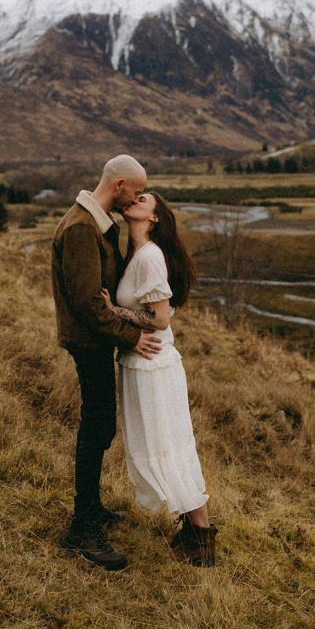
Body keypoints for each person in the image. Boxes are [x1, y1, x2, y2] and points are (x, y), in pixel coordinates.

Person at [51, 154, 163, 571]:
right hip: (88, 342)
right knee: (96, 426)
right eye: (135, 191)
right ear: (118, 185)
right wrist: (133, 336)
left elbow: (101, 295)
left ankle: (91, 511)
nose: (137, 198)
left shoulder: (95, 222)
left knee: (99, 425)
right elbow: (86, 305)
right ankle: (82, 528)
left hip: (95, 340)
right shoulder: (82, 229)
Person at [100, 190, 217, 566]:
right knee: (167, 444)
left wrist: (113, 310)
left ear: (154, 217)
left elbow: (160, 319)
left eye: (144, 198)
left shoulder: (149, 256)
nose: (136, 199)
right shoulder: (139, 254)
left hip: (153, 366)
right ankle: (194, 534)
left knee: (167, 446)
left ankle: (200, 540)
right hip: (146, 363)